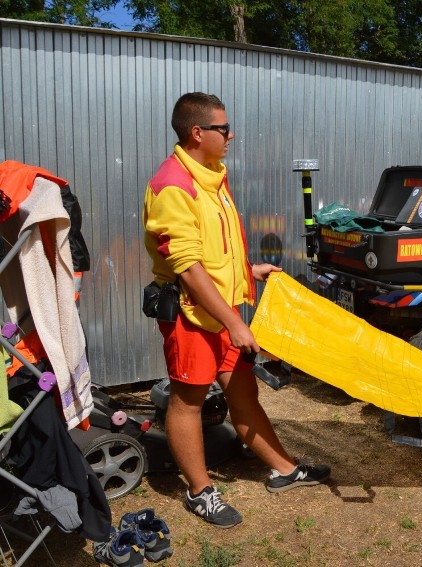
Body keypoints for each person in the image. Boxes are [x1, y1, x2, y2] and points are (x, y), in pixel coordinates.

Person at [143, 92, 331, 527]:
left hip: (221, 308)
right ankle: (200, 491)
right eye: (224, 129)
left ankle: (284, 469)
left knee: (243, 390)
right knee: (188, 400)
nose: (232, 135)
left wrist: (248, 271)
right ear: (197, 133)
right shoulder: (174, 185)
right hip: (193, 314)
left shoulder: (212, 175)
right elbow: (187, 268)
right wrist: (234, 323)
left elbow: (215, 250)